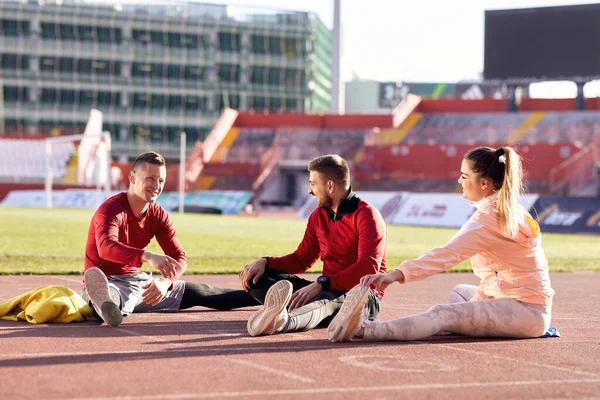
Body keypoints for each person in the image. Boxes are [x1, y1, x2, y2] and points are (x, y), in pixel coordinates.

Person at [328, 146, 555, 342]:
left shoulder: (487, 219)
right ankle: (454, 325)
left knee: (442, 314)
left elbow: (445, 255)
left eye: (464, 176)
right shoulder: (508, 209)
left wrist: (395, 275)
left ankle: (366, 330)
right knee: (459, 293)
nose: (459, 181)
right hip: (519, 302)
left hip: (525, 312)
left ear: (484, 183)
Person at [82, 151, 258, 327]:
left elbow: (179, 257)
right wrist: (148, 256)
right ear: (132, 177)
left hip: (138, 282)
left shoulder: (158, 214)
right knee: (114, 295)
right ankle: (103, 303)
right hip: (107, 279)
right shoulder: (110, 209)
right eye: (150, 178)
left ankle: (266, 297)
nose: (156, 186)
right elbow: (106, 247)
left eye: (161, 181)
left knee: (203, 292)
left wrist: (166, 282)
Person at [239, 154, 387, 336]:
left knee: (326, 302)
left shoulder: (368, 216)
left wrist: (323, 283)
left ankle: (282, 321)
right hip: (328, 288)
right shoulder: (318, 216)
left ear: (330, 186)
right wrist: (266, 262)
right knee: (259, 278)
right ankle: (283, 309)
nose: (309, 190)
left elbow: (368, 268)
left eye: (313, 184)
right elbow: (302, 259)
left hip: (363, 298)